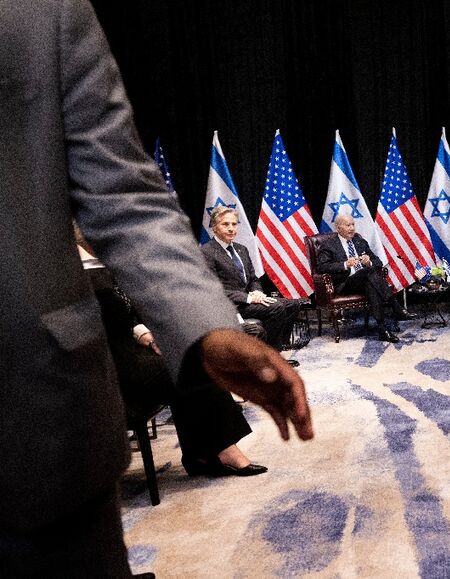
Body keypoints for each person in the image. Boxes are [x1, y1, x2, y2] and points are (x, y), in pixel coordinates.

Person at [0, 1, 313, 576]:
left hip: (34, 434)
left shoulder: (46, 14)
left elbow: (123, 196)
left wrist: (205, 325)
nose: (229, 229)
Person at [78, 237, 266, 477]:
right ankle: (223, 451)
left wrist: (143, 332)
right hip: (109, 366)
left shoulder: (107, 264)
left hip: (133, 352)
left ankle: (200, 455)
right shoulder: (73, 270)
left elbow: (127, 313)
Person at [201, 206, 302, 366]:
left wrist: (257, 292)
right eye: (225, 224)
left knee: (293, 304)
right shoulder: (207, 252)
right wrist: (248, 298)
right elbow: (214, 288)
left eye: (234, 224)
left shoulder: (241, 249)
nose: (231, 229)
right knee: (276, 308)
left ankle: (274, 351)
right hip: (231, 305)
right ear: (214, 227)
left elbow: (253, 278)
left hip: (249, 300)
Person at [315, 214, 415, 343]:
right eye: (348, 225)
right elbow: (322, 267)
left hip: (364, 280)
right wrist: (345, 264)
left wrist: (369, 262)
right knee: (369, 274)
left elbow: (378, 262)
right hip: (345, 283)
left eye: (353, 224)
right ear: (338, 228)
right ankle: (396, 307)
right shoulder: (329, 245)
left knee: (369, 280)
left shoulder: (359, 241)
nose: (352, 228)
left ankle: (382, 329)